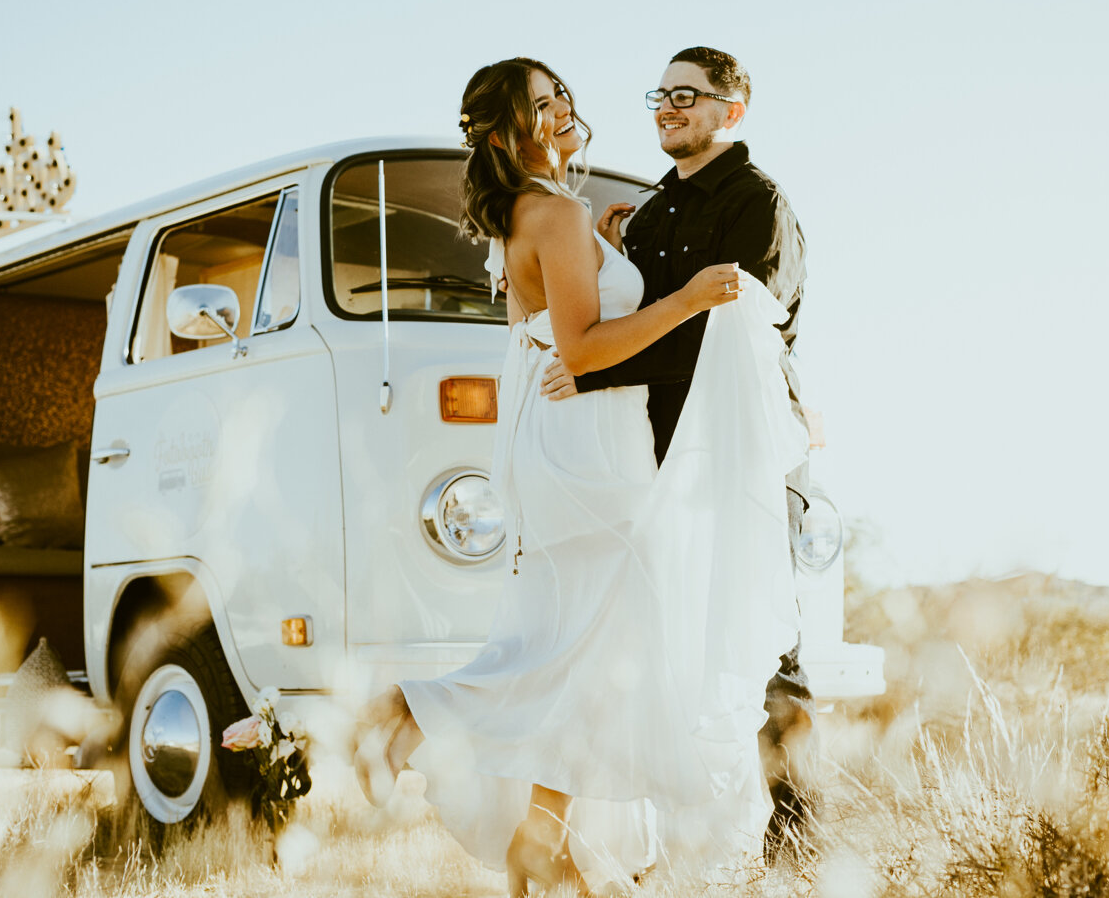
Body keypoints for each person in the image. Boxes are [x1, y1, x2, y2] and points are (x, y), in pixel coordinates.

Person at [351, 56, 805, 895]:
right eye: (539, 103)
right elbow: (585, 347)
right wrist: (689, 298)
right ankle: (414, 708)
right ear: (502, 133)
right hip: (585, 436)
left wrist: (606, 247)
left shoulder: (549, 213)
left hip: (568, 432)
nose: (561, 107)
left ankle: (544, 832)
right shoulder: (553, 211)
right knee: (600, 631)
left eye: (560, 92)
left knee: (592, 639)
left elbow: (559, 322)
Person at [537, 46, 818, 860]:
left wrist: (593, 367)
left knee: (764, 651)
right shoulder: (651, 210)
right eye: (660, 94)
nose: (667, 107)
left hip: (746, 458)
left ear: (733, 110)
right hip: (658, 457)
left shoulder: (759, 204)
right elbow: (635, 312)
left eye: (687, 95)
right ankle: (680, 848)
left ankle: (796, 851)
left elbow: (729, 332)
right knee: (667, 651)